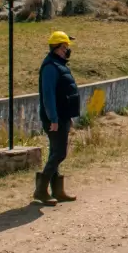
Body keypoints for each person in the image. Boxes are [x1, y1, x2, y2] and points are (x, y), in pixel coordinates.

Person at [35, 31, 81, 205]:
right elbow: (48, 96)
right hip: (55, 119)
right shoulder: (50, 68)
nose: (67, 49)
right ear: (57, 48)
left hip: (61, 116)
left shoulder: (57, 64)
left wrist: (66, 116)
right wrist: (53, 119)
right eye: (65, 46)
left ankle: (57, 191)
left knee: (56, 153)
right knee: (59, 153)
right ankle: (40, 190)